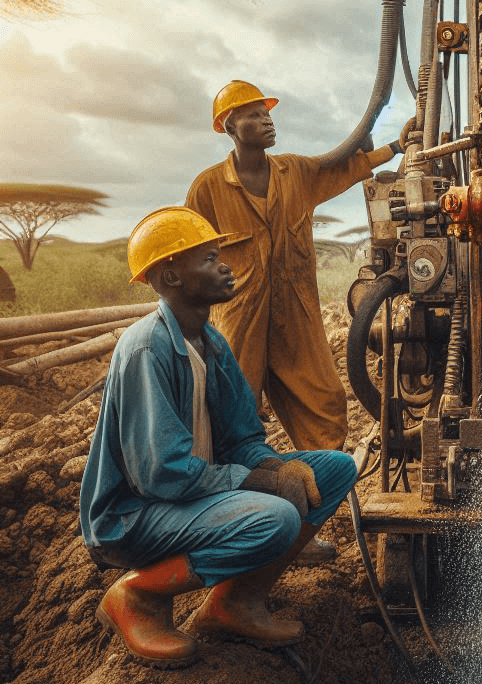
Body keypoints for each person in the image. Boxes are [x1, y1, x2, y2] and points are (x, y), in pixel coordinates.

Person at [79, 207, 358, 668]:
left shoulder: (212, 343)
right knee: (275, 519)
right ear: (170, 275)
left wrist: (270, 467)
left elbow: (240, 438)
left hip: (186, 496)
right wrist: (254, 484)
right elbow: (159, 474)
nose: (225, 265)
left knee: (334, 470)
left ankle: (234, 603)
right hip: (135, 515)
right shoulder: (146, 348)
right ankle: (137, 597)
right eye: (209, 259)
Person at [186, 80, 399, 564]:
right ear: (229, 127)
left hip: (297, 318)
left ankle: (301, 531)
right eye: (253, 115)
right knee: (232, 427)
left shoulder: (296, 172)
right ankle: (239, 530)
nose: (266, 120)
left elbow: (343, 168)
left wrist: (395, 145)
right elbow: (192, 253)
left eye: (267, 112)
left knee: (325, 408)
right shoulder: (208, 187)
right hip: (237, 322)